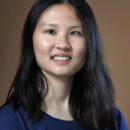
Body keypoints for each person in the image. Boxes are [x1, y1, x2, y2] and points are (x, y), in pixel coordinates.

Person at [0, 0, 128, 129]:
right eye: (50, 31)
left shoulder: (112, 120)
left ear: (90, 42)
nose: (63, 44)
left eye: (75, 33)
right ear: (31, 39)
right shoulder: (10, 120)